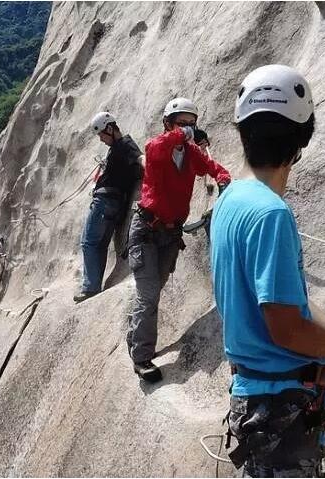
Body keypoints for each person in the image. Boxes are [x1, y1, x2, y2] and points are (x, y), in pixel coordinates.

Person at [210, 64, 325, 477]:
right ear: (302, 138)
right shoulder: (272, 214)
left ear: (242, 130)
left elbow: (289, 303)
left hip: (255, 396)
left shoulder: (231, 200)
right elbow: (286, 329)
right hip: (281, 409)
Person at [128, 98, 231, 382]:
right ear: (168, 125)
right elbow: (156, 149)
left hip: (170, 235)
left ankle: (134, 332)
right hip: (146, 230)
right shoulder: (157, 147)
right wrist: (185, 136)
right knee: (148, 296)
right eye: (181, 123)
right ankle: (142, 357)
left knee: (153, 291)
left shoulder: (189, 154)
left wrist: (223, 180)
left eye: (191, 123)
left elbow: (211, 166)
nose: (187, 128)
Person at [74, 112, 144, 303]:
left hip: (105, 201)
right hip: (115, 203)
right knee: (100, 245)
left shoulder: (124, 145)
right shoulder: (117, 148)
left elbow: (141, 160)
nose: (102, 140)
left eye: (102, 135)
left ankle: (90, 287)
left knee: (88, 242)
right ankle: (93, 285)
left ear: (110, 129)